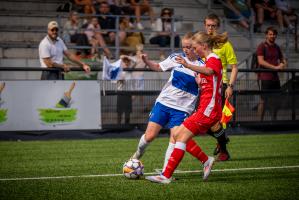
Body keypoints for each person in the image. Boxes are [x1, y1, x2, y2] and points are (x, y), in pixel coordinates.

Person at [146, 31, 226, 184]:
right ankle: (201, 162)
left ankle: (167, 175)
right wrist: (199, 81)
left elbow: (209, 71)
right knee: (178, 136)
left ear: (203, 46)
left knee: (179, 136)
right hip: (205, 108)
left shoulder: (213, 59)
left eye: (195, 48)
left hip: (208, 110)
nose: (194, 51)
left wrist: (187, 65)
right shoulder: (208, 60)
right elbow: (209, 80)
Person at [130, 32, 211, 173]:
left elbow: (205, 87)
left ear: (196, 47)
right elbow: (157, 67)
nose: (185, 50)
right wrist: (147, 61)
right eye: (184, 47)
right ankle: (136, 155)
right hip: (164, 102)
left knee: (175, 137)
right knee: (149, 136)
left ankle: (165, 173)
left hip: (182, 109)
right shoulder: (176, 58)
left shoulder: (202, 65)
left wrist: (200, 85)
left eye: (189, 47)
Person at [203, 14, 238, 161]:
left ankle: (224, 151)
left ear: (217, 26)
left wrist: (230, 86)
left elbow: (234, 67)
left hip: (219, 86)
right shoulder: (203, 43)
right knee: (204, 122)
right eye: (208, 25)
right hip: (205, 86)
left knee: (213, 121)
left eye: (213, 25)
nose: (210, 28)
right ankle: (222, 139)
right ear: (205, 26)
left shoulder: (225, 44)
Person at [256, 26, 287, 121]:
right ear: (266, 35)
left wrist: (283, 64)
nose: (272, 36)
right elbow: (260, 61)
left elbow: (283, 59)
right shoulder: (262, 46)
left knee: (276, 101)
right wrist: (275, 67)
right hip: (265, 78)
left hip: (275, 78)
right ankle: (259, 122)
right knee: (263, 101)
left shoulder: (277, 47)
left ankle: (274, 121)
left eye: (274, 34)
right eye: (270, 34)